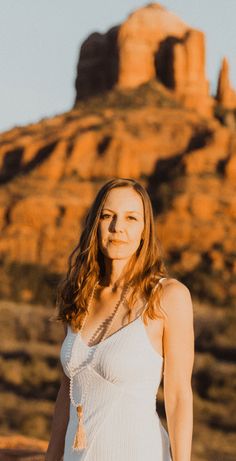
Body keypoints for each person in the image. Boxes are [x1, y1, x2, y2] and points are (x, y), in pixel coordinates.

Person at [45, 177, 194, 461]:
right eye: (107, 216)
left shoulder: (168, 296)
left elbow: (177, 396)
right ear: (95, 224)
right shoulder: (80, 294)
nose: (117, 228)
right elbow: (67, 392)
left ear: (144, 230)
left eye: (131, 218)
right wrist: (51, 457)